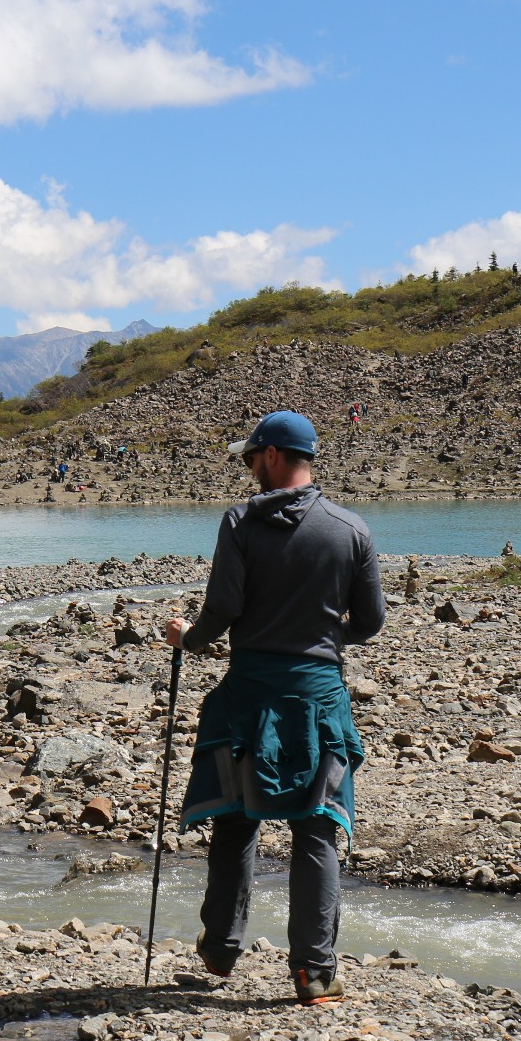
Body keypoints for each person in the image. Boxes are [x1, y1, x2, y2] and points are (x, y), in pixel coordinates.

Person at [163, 410, 385, 1005]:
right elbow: (371, 621)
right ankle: (314, 974)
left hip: (250, 696)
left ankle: (220, 948)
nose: (247, 467)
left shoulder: (239, 523)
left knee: (237, 819)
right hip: (319, 696)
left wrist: (187, 637)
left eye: (251, 455)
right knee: (317, 830)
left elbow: (223, 611)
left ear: (272, 455)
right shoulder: (351, 528)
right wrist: (323, 636)